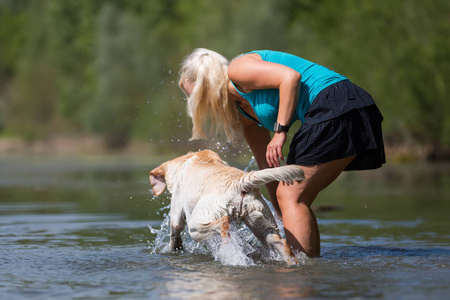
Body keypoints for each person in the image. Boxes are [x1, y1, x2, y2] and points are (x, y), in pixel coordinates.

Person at [178, 48, 385, 258]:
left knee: (292, 196)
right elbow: (267, 167)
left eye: (192, 95)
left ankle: (294, 278)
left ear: (205, 84)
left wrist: (280, 132)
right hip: (349, 108)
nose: (193, 104)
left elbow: (290, 77)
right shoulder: (245, 114)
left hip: (336, 102)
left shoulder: (238, 70)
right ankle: (308, 271)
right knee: (294, 198)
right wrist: (279, 211)